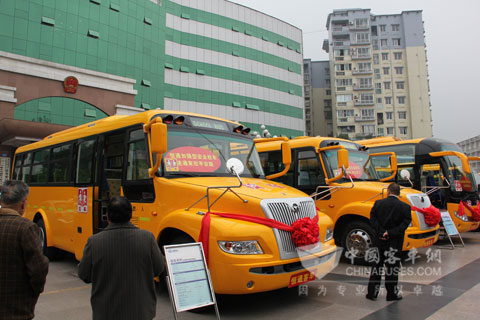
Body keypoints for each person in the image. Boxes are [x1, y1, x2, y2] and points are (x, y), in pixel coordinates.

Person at [78, 196, 165, 320]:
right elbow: (159, 268)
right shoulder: (147, 238)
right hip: (140, 313)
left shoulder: (94, 242)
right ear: (131, 215)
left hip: (106, 313)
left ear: (107, 216)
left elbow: (84, 274)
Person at [0, 180, 49, 319]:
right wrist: (33, 292)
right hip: (17, 310)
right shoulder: (25, 228)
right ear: (22, 204)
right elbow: (39, 269)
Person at [366, 182, 412, 301]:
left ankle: (372, 294)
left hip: (379, 242)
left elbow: (372, 219)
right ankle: (391, 294)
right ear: (399, 193)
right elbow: (404, 225)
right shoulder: (405, 207)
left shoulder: (378, 203)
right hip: (394, 243)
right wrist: (390, 233)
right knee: (392, 269)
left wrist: (381, 232)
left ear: (388, 191)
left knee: (376, 267)